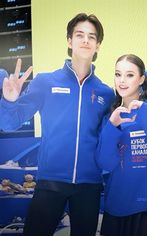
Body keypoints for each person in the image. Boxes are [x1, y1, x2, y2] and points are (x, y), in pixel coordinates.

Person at [0, 13, 115, 236]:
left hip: (89, 186)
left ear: (98, 46)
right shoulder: (45, 82)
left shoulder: (105, 93)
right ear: (69, 41)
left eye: (92, 37)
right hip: (50, 182)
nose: (85, 40)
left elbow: (107, 140)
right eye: (79, 35)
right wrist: (9, 100)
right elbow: (9, 123)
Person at [96, 54, 147, 236]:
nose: (122, 81)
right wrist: (112, 126)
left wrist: (146, 112)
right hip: (118, 206)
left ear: (142, 79)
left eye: (129, 75)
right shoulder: (110, 118)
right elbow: (105, 163)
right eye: (118, 74)